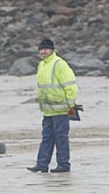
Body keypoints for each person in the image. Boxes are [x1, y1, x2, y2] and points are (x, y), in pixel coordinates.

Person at [27, 38, 78, 173]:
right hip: (48, 110)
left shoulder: (59, 64)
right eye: (41, 49)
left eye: (46, 49)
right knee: (47, 138)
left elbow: (71, 86)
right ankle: (42, 165)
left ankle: (63, 165)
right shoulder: (41, 65)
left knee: (61, 138)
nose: (43, 51)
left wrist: (70, 105)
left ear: (52, 50)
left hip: (61, 109)